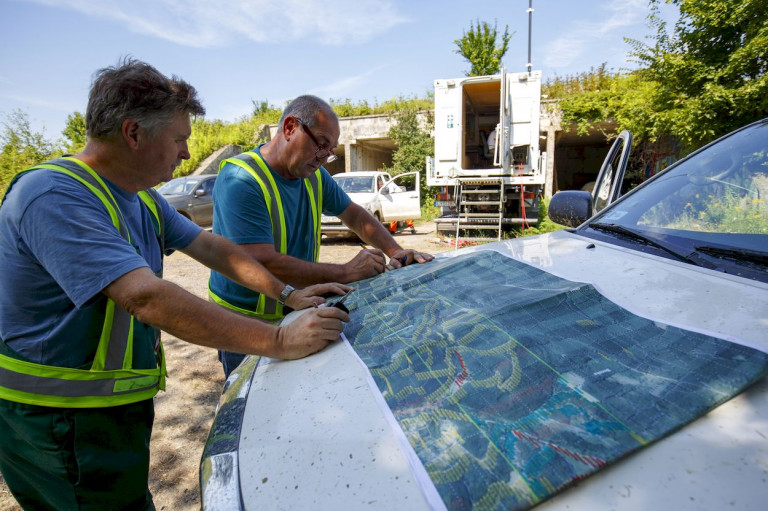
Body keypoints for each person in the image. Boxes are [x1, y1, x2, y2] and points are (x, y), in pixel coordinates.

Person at [0, 59, 349, 510]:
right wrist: (279, 340)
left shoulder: (139, 198)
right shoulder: (54, 195)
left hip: (104, 411)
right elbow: (144, 297)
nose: (186, 153)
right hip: (58, 419)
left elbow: (212, 248)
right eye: (180, 139)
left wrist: (286, 295)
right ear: (133, 133)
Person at [210, 95, 434, 377]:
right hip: (246, 324)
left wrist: (394, 251)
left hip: (294, 309)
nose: (323, 157)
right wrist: (346, 271)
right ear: (290, 127)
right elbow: (261, 261)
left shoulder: (313, 175)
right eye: (320, 143)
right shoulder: (241, 179)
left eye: (330, 150)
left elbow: (355, 215)